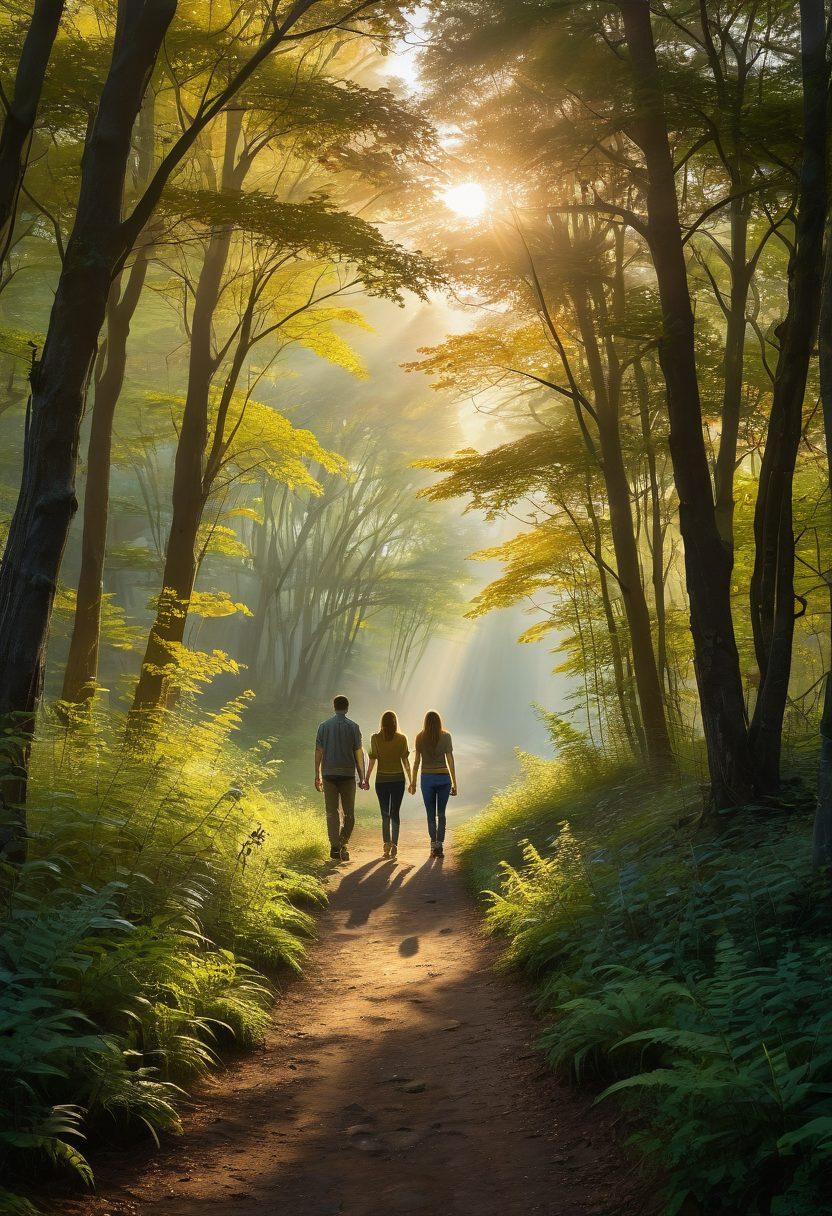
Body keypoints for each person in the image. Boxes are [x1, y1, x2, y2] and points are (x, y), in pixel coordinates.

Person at [314, 694, 367, 862]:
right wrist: (362, 777)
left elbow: (318, 752)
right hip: (347, 776)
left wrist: (317, 775)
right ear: (347, 708)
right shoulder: (354, 727)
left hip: (328, 775)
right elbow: (358, 754)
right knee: (349, 814)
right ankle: (342, 843)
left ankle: (335, 846)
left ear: (334, 706)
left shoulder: (323, 726)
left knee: (331, 812)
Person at [410, 710, 457, 858]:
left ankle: (433, 844)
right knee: (441, 813)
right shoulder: (446, 736)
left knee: (431, 814)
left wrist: (413, 782)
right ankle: (439, 845)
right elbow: (450, 759)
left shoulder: (419, 737)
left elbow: (417, 762)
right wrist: (455, 782)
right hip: (444, 779)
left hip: (427, 779)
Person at [366, 710, 412, 861]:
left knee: (385, 814)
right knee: (395, 813)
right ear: (395, 722)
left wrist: (366, 778)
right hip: (398, 780)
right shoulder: (402, 738)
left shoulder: (375, 738)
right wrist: (411, 780)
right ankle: (395, 845)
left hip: (381, 781)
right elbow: (405, 762)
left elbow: (372, 761)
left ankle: (386, 844)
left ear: (382, 723)